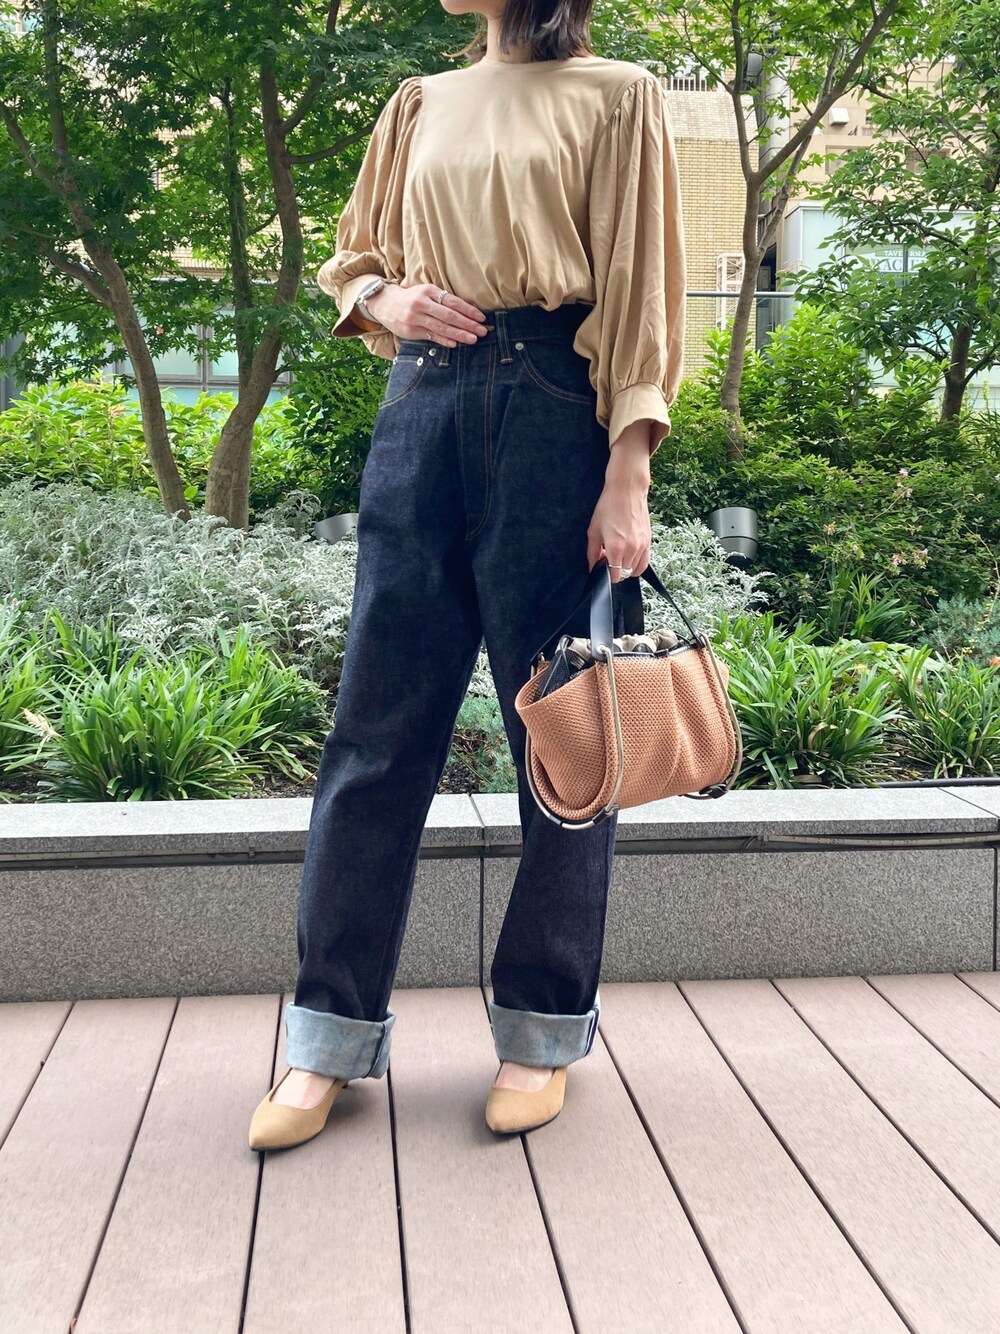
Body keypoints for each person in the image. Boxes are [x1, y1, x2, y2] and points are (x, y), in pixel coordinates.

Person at [249, 0, 685, 1151]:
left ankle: (540, 1028)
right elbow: (358, 259)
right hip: (422, 404)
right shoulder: (419, 103)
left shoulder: (618, 97)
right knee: (375, 729)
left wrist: (628, 470)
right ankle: (325, 1036)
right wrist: (385, 299)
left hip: (553, 409)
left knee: (565, 735)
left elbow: (641, 287)